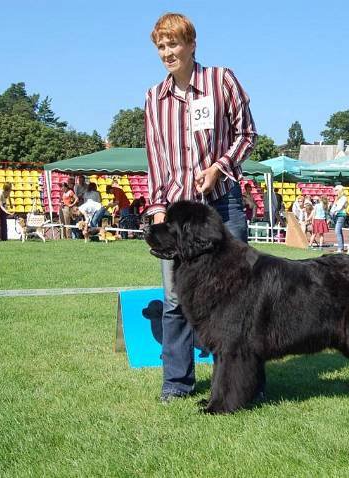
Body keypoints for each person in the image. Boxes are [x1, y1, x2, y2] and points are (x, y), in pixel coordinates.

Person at [144, 12, 256, 402]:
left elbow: (247, 134)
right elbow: (156, 160)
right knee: (176, 298)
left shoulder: (221, 80)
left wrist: (218, 167)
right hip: (177, 215)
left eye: (173, 44)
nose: (167, 52)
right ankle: (176, 383)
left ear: (192, 44)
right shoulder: (153, 98)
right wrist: (158, 209)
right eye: (161, 46)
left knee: (239, 297)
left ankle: (249, 384)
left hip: (223, 203)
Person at [329, 185, 348, 253]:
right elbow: (334, 206)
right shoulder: (338, 198)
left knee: (337, 231)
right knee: (338, 231)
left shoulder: (343, 198)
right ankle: (341, 247)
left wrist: (333, 211)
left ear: (340, 190)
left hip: (340, 215)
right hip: (336, 215)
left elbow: (339, 207)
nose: (335, 191)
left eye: (336, 190)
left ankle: (340, 248)